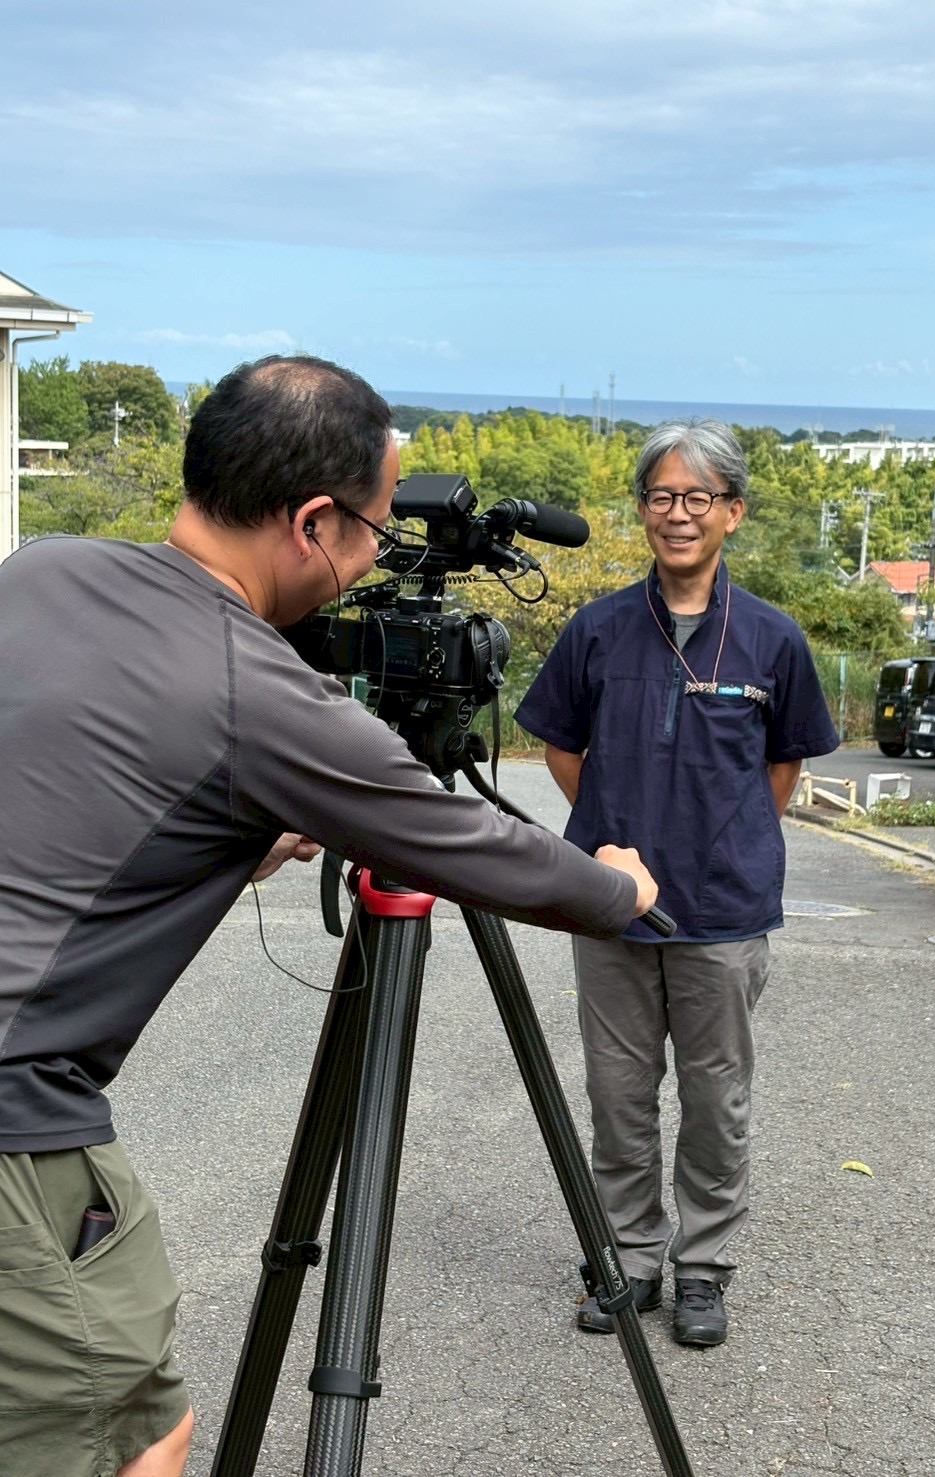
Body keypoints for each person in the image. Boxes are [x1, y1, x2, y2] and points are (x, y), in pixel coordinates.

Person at [0, 354, 658, 1477]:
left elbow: (74, 779)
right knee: (129, 1439)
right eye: (369, 529)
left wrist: (241, 829)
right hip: (18, 1122)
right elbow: (491, 855)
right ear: (311, 520)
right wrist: (620, 887)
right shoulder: (261, 691)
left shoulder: (42, 572)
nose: (372, 561)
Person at [515, 420, 839, 1347]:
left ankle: (702, 1267)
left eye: (699, 498)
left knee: (714, 1098)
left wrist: (718, 837)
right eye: (662, 496)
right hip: (612, 907)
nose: (679, 514)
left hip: (724, 913)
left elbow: (781, 771)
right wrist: (620, 836)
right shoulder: (599, 629)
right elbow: (561, 748)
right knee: (617, 1095)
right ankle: (628, 1260)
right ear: (644, 512)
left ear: (732, 513)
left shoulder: (773, 640)